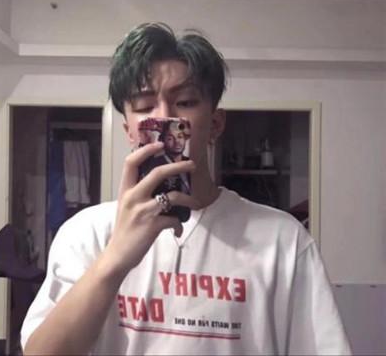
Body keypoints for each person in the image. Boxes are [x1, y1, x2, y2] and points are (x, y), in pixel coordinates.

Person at [21, 23, 351, 355]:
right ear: (129, 131)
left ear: (215, 124)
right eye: (144, 106)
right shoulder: (86, 234)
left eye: (185, 101)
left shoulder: (284, 241)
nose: (165, 119)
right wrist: (115, 259)